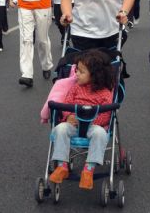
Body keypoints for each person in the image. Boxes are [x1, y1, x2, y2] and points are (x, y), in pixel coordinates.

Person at [48, 50, 114, 190]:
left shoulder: (105, 93)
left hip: (93, 125)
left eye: (81, 71)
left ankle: (88, 169)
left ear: (95, 75)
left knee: (100, 134)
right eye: (76, 70)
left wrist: (90, 121)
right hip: (74, 123)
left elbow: (106, 115)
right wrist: (69, 116)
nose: (76, 74)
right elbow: (67, 103)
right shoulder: (76, 88)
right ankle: (62, 166)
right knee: (60, 129)